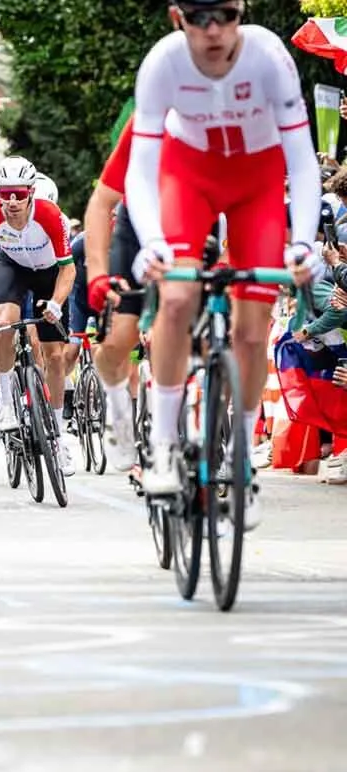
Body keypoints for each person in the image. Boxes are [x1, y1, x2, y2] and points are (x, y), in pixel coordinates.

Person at [125, 0, 322, 531]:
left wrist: (303, 243)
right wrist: (152, 243)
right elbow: (141, 169)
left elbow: (302, 160)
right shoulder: (163, 62)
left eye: (226, 16)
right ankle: (163, 446)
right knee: (177, 297)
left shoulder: (269, 56)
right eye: (199, 18)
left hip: (257, 183)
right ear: (177, 18)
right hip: (188, 176)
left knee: (252, 331)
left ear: (242, 13)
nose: (213, 30)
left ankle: (241, 464)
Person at [0, 155, 77, 477]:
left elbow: (68, 269)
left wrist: (56, 303)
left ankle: (57, 438)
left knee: (55, 356)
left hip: (49, 273)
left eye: (19, 193)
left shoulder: (50, 215)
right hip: (12, 268)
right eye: (6, 194)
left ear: (31, 191)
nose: (13, 201)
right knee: (4, 322)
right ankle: (4, 403)